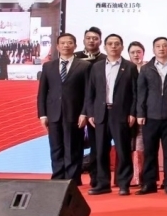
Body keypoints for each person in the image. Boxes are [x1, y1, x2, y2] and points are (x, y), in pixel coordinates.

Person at [83, 34, 138, 195]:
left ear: (122, 47)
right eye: (110, 44)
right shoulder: (96, 67)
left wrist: (132, 112)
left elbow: (135, 93)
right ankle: (102, 183)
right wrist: (90, 113)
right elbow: (90, 92)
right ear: (105, 46)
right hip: (100, 114)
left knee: (123, 150)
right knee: (100, 150)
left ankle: (123, 184)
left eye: (117, 44)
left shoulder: (130, 67)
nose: (113, 46)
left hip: (121, 113)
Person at [37, 33, 90, 184]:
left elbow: (88, 92)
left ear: (75, 45)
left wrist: (84, 113)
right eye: (63, 43)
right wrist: (42, 114)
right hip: (53, 114)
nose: (66, 45)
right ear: (57, 46)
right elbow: (42, 92)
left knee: (73, 147)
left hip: (75, 113)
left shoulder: (84, 66)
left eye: (69, 43)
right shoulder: (48, 66)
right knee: (56, 147)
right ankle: (58, 178)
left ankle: (72, 179)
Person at [136, 36, 167, 195]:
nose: (161, 48)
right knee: (150, 152)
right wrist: (140, 112)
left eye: (164, 46)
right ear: (153, 49)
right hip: (150, 116)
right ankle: (149, 183)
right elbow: (141, 93)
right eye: (158, 46)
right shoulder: (146, 69)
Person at [75, 26, 104, 186]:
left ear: (100, 41)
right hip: (76, 107)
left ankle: (96, 178)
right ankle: (73, 178)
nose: (91, 41)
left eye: (95, 38)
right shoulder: (74, 57)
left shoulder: (105, 59)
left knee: (96, 145)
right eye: (88, 38)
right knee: (74, 144)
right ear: (83, 40)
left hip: (97, 108)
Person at [127, 41, 146, 187]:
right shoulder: (125, 68)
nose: (136, 55)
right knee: (127, 144)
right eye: (133, 52)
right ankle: (128, 176)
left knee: (141, 144)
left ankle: (139, 177)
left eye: (138, 52)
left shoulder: (148, 68)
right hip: (127, 112)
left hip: (145, 113)